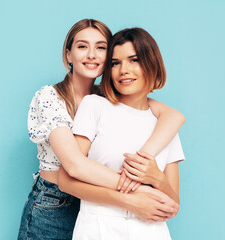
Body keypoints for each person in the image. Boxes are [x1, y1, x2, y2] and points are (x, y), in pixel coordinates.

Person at [18, 19, 185, 240]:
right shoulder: (52, 97)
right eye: (82, 46)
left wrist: (154, 176)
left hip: (100, 203)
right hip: (54, 204)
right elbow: (74, 166)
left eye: (101, 47)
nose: (91, 55)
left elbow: (169, 114)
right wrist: (138, 187)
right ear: (68, 55)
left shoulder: (110, 99)